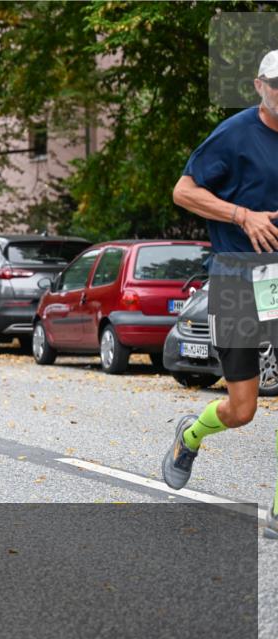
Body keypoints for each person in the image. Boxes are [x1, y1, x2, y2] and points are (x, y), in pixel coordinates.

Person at [162, 50, 278, 539]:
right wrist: (241, 215)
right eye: (277, 85)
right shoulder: (234, 135)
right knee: (243, 408)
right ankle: (190, 435)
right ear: (259, 86)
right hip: (235, 281)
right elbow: (183, 192)